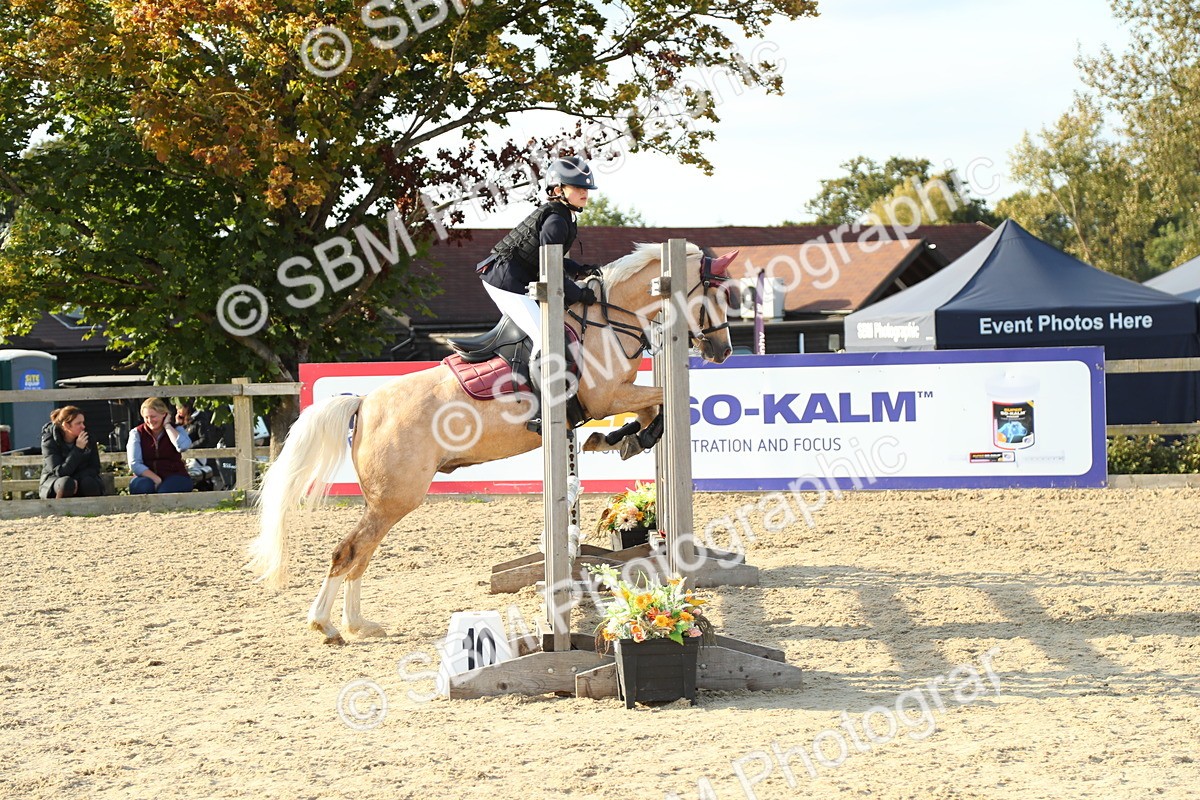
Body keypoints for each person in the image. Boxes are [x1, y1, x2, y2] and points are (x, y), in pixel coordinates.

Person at [477, 155, 601, 358]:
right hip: (505, 282)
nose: (584, 192)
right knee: (546, 340)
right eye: (577, 187)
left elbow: (551, 257)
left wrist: (578, 270)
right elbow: (550, 269)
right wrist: (578, 295)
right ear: (558, 190)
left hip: (516, 278)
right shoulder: (556, 221)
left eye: (586, 188)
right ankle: (543, 379)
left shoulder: (565, 216)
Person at [127, 397, 193, 494]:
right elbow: (134, 463)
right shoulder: (137, 433)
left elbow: (183, 446)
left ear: (164, 414)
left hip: (175, 474)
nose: (150, 420)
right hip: (146, 475)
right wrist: (156, 479)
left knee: (165, 492)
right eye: (146, 417)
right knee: (142, 487)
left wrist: (167, 426)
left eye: (153, 416)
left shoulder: (176, 429)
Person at [39, 406, 105, 499]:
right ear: (66, 425)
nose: (83, 426)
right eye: (78, 423)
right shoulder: (50, 441)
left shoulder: (88, 438)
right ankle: (59, 508)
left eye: (83, 422)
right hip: (55, 481)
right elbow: (59, 472)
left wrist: (77, 478)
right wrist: (78, 449)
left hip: (81, 479)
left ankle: (94, 508)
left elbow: (95, 468)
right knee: (67, 483)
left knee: (88, 482)